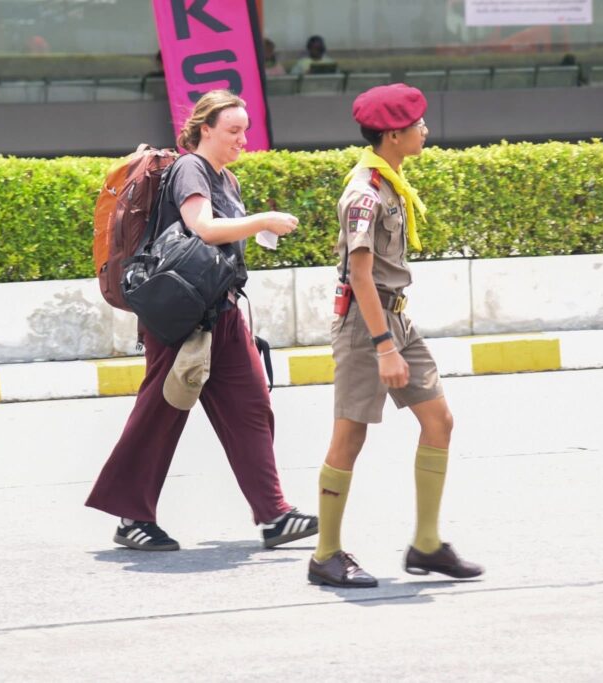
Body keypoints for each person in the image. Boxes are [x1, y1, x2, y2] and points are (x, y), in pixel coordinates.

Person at [86, 89, 319, 552]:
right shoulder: (191, 168)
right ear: (205, 129)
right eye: (233, 130)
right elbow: (204, 227)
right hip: (182, 316)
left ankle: (275, 514)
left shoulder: (226, 177)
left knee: (251, 407)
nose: (242, 139)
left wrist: (257, 229)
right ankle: (131, 518)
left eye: (245, 130)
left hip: (221, 310)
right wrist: (263, 220)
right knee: (161, 413)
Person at [307, 84, 484, 588]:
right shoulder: (364, 194)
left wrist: (394, 337)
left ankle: (426, 544)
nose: (424, 130)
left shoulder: (390, 183)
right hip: (367, 326)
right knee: (350, 436)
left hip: (396, 317)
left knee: (439, 421)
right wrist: (384, 347)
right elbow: (360, 276)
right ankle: (325, 555)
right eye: (416, 124)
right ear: (391, 135)